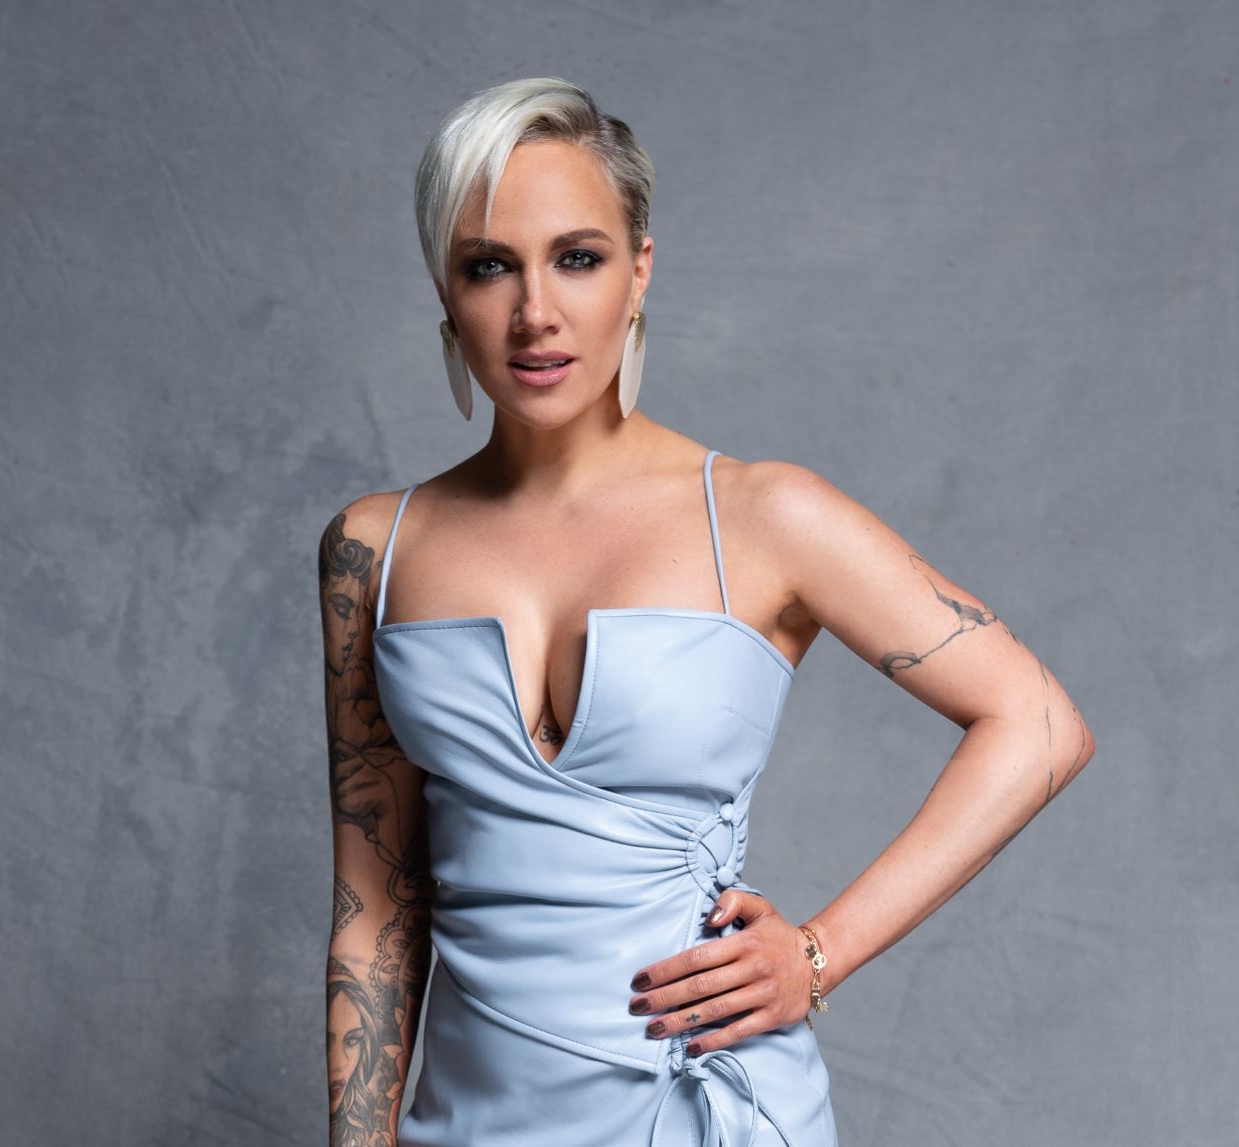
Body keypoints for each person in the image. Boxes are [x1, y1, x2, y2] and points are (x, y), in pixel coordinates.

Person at [319, 76, 1093, 1147]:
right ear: (445, 290)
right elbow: (375, 908)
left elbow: (1039, 722)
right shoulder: (372, 548)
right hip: (473, 1121)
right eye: (489, 265)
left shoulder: (764, 516)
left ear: (639, 270)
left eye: (577, 258)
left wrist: (816, 952)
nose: (535, 312)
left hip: (701, 1109)